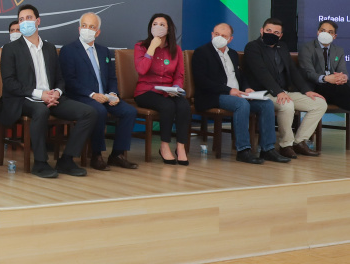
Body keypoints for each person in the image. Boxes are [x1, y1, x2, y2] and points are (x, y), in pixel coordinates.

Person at [0, 4, 96, 178]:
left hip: (52, 97)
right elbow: (9, 83)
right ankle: (40, 163)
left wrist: (57, 92)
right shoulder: (10, 49)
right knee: (41, 110)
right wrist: (40, 94)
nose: (24, 22)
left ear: (38, 21)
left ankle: (66, 160)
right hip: (24, 98)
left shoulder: (49, 48)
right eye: (21, 20)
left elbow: (60, 78)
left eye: (28, 18)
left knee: (89, 112)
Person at [192, 23, 287, 164]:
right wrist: (228, 90)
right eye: (216, 34)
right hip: (213, 95)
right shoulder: (202, 52)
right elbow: (202, 81)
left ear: (230, 39)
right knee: (241, 104)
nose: (219, 37)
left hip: (238, 94)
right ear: (212, 35)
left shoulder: (232, 54)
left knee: (266, 104)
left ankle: (268, 149)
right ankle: (243, 150)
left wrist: (247, 88)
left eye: (223, 36)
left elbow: (240, 76)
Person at [58, 12, 138, 170]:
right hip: (82, 97)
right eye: (84, 26)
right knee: (99, 110)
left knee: (129, 111)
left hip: (105, 97)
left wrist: (113, 93)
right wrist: (92, 95)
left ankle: (117, 155)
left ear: (98, 32)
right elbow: (70, 81)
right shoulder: (69, 50)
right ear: (79, 28)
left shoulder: (104, 51)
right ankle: (97, 155)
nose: (87, 29)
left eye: (92, 27)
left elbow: (112, 78)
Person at [243, 18, 327, 158]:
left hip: (285, 91)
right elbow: (261, 73)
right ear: (261, 30)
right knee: (286, 105)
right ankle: (285, 145)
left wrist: (307, 90)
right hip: (262, 93)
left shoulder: (282, 47)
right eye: (268, 30)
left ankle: (299, 142)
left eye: (276, 32)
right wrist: (278, 92)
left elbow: (293, 71)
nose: (271, 34)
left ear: (280, 35)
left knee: (319, 103)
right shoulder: (252, 47)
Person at [133, 13, 191, 165]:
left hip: (169, 90)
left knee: (184, 105)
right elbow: (141, 70)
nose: (158, 27)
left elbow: (179, 74)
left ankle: (180, 146)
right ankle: (164, 146)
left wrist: (176, 88)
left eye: (162, 25)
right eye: (155, 24)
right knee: (167, 106)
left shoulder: (175, 49)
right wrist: (152, 47)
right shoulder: (141, 46)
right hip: (146, 91)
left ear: (169, 29)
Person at [298, 20, 350, 110]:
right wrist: (326, 78)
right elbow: (308, 73)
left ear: (334, 36)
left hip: (335, 86)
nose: (325, 34)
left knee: (344, 88)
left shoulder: (338, 50)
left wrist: (343, 77)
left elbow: (342, 70)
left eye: (330, 32)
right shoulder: (307, 48)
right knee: (341, 91)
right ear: (318, 32)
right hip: (316, 85)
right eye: (323, 31)